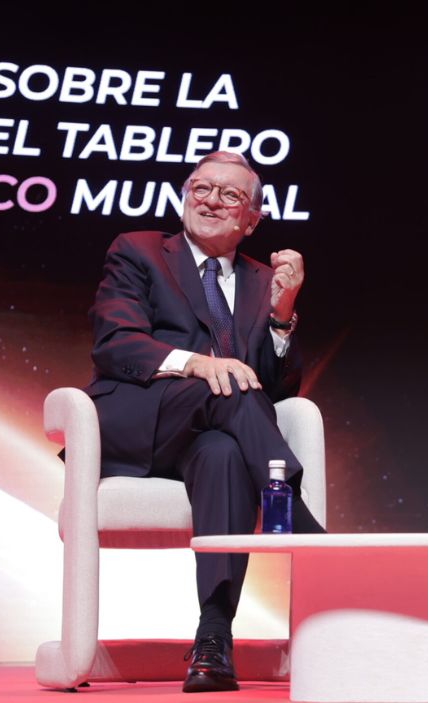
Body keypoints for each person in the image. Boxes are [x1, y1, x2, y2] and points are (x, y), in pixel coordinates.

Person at [85, 151, 324, 693]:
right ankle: (295, 516)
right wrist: (196, 364)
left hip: (214, 435)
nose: (211, 200)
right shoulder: (140, 250)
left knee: (223, 451)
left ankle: (213, 638)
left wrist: (282, 316)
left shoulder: (264, 280)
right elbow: (114, 342)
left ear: (252, 220)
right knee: (231, 386)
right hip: (143, 418)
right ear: (186, 194)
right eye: (201, 188)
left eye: (230, 195)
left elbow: (277, 390)